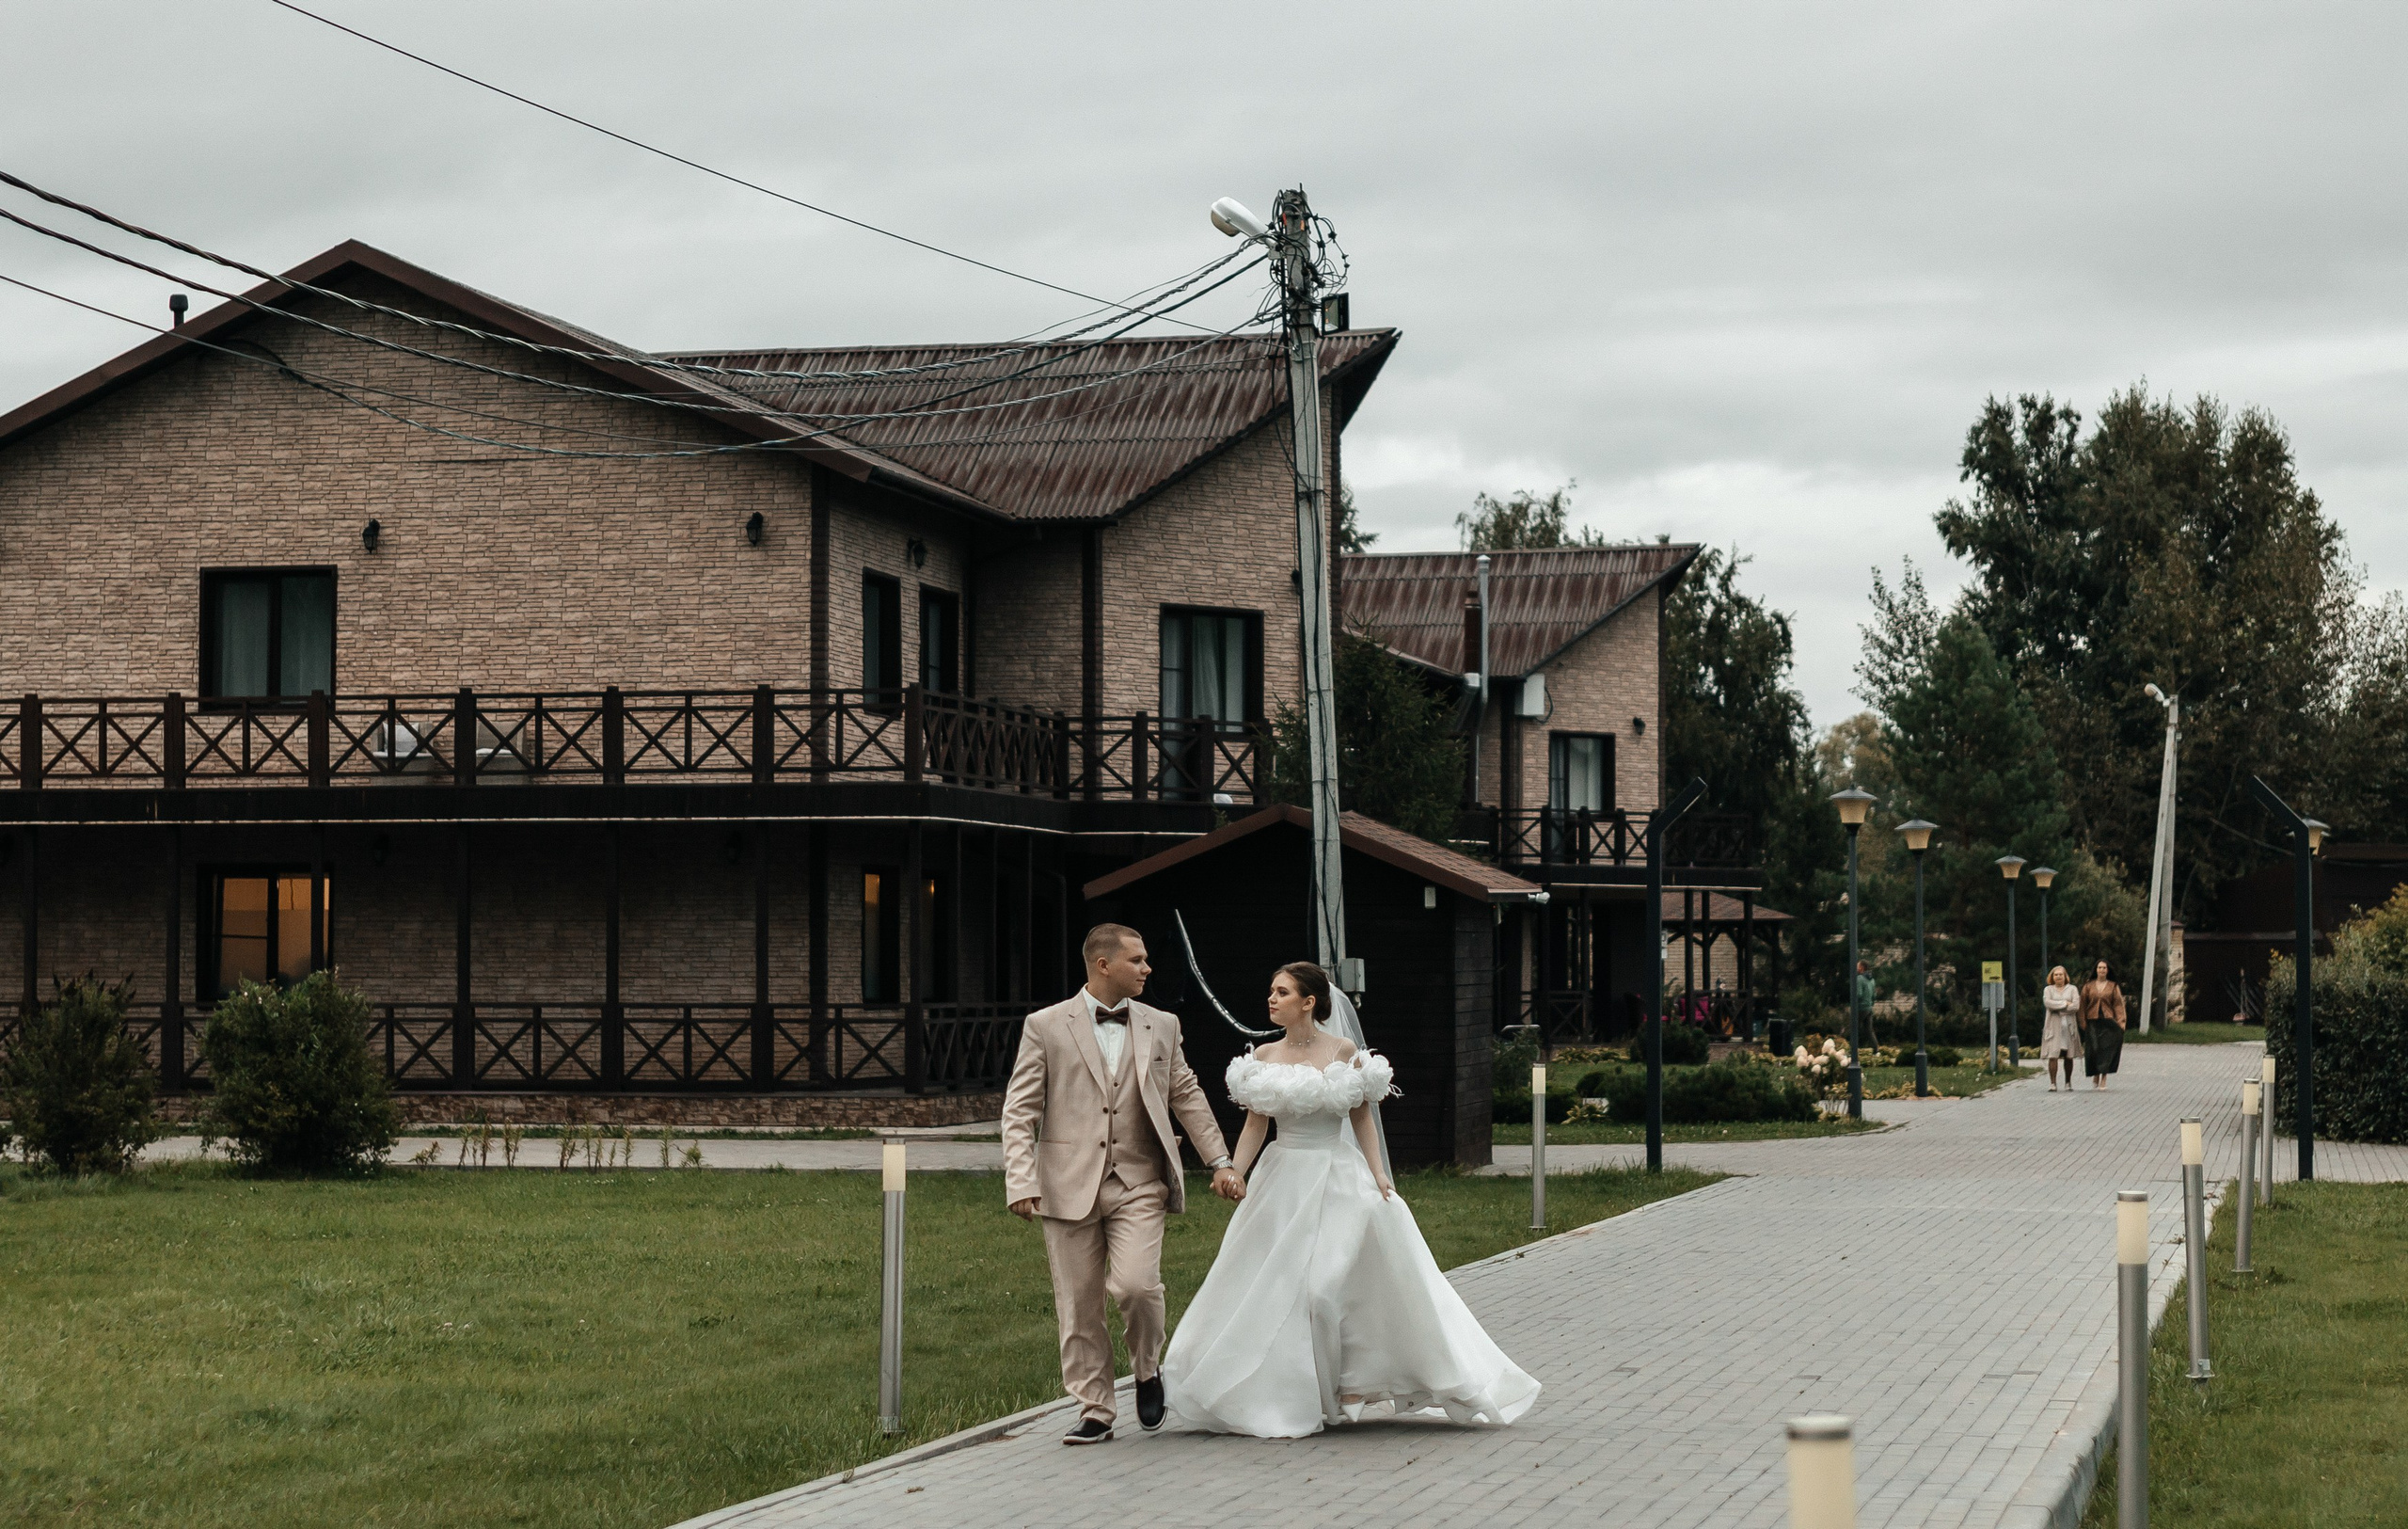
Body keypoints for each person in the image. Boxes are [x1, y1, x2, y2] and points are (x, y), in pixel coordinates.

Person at [1158, 961, 1541, 1438]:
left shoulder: (1343, 1052)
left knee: (1326, 1286)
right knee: (1278, 1286)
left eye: (1282, 992)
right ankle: (1301, 1391)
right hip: (1283, 1179)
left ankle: (1352, 1382)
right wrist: (1235, 1168)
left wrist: (1379, 1174)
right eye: (1271, 991)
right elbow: (1257, 1121)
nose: (1271, 999)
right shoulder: (1263, 1055)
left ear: (1309, 1002)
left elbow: (1362, 1118)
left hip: (1337, 1175)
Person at [1001, 924, 1244, 1445]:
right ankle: (1095, 1408)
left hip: (1139, 1180)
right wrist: (1020, 1178)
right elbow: (1019, 1110)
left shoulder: (1163, 1024)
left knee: (1136, 1286)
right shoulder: (1044, 1026)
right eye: (1137, 960)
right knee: (1079, 1302)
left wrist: (1220, 1161)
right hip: (1065, 1185)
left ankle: (1148, 1368)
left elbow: (1186, 1094)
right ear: (1102, 965)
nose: (1148, 968)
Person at [2080, 959, 2127, 1090]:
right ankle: (2095, 1073)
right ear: (2096, 970)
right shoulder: (2088, 986)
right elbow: (2082, 1005)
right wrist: (2083, 1022)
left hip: (2108, 1021)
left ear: (2107, 970)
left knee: (2106, 1050)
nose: (2101, 970)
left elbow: (2118, 1005)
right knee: (2093, 1049)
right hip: (2092, 1021)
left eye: (2104, 968)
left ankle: (2104, 1078)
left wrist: (2121, 1022)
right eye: (2099, 968)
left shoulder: (2113, 986)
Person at [2038, 964, 2083, 1091]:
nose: (2058, 977)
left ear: (2065, 976)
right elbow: (2048, 1003)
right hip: (2053, 1027)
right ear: (2052, 977)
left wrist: (2058, 1009)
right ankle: (2053, 1083)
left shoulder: (2072, 989)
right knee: (2053, 1055)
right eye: (2056, 975)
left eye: (2061, 974)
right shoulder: (2048, 990)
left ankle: (2068, 1082)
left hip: (2069, 1027)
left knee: (2068, 1056)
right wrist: (2064, 1004)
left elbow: (2075, 1006)